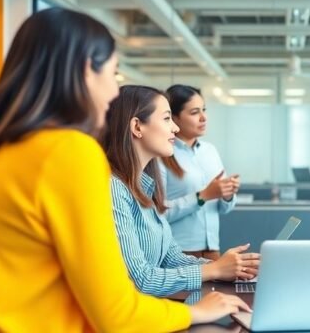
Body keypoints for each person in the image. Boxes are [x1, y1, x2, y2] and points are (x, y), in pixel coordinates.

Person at [0, 7, 248, 332]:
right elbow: (116, 312)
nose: (112, 92)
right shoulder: (69, 153)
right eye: (113, 73)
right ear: (84, 71)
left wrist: (217, 269)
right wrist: (197, 312)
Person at [101, 85, 260, 298]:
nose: (174, 129)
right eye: (167, 119)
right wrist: (213, 269)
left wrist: (231, 267)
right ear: (137, 126)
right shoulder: (114, 189)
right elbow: (140, 280)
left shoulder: (145, 188)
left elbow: (171, 257)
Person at [161, 85, 240, 260]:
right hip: (178, 252)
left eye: (204, 110)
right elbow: (157, 214)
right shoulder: (162, 153)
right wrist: (202, 196)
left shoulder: (210, 151)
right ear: (174, 118)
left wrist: (226, 194)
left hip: (213, 250)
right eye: (194, 112)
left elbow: (223, 208)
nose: (203, 118)